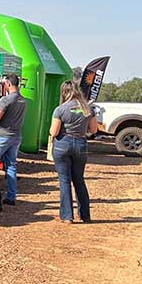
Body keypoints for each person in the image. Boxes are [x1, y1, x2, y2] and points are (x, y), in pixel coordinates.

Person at [49, 81, 98, 223]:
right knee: (79, 180)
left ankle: (67, 216)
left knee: (64, 181)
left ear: (64, 92)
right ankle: (85, 215)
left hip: (62, 145)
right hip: (80, 145)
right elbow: (94, 130)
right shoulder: (88, 109)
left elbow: (54, 132)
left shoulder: (60, 109)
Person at [0, 75, 26, 205]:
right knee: (11, 166)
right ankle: (11, 196)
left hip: (3, 135)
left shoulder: (5, 100)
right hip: (16, 136)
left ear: (8, 84)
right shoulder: (23, 100)